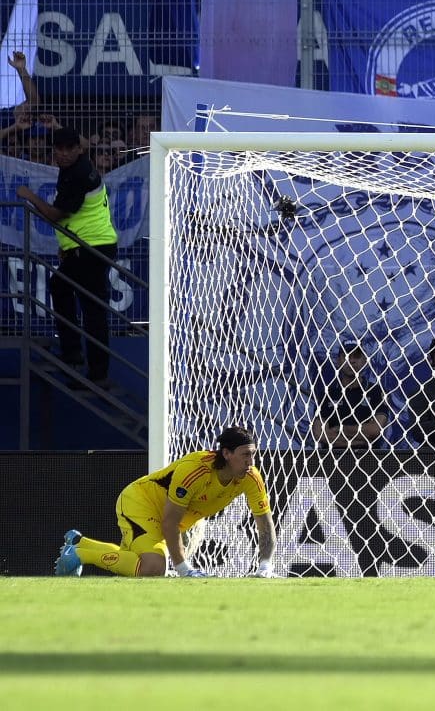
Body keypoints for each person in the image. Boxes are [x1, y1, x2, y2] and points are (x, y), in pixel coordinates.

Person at [54, 425, 277, 578]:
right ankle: (80, 555)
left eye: (253, 454)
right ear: (227, 454)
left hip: (170, 516)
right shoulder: (195, 471)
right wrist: (183, 569)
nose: (251, 461)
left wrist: (265, 565)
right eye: (245, 455)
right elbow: (170, 523)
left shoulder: (251, 477)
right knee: (153, 568)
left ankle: (80, 543)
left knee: (134, 561)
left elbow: (265, 524)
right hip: (140, 503)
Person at [15, 123, 121, 387]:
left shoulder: (79, 174)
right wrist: (67, 244)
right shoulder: (73, 168)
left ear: (78, 149)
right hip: (85, 246)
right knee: (64, 290)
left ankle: (92, 370)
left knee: (87, 306)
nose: (61, 154)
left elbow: (55, 214)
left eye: (67, 149)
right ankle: (80, 359)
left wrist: (29, 195)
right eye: (58, 149)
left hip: (92, 248)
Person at [313, 342, 390, 449]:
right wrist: (359, 441)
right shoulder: (327, 393)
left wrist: (340, 429)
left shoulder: (376, 391)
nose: (352, 360)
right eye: (347, 356)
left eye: (357, 356)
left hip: (369, 459)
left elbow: (375, 430)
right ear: (338, 361)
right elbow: (320, 434)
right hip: (332, 459)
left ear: (364, 361)